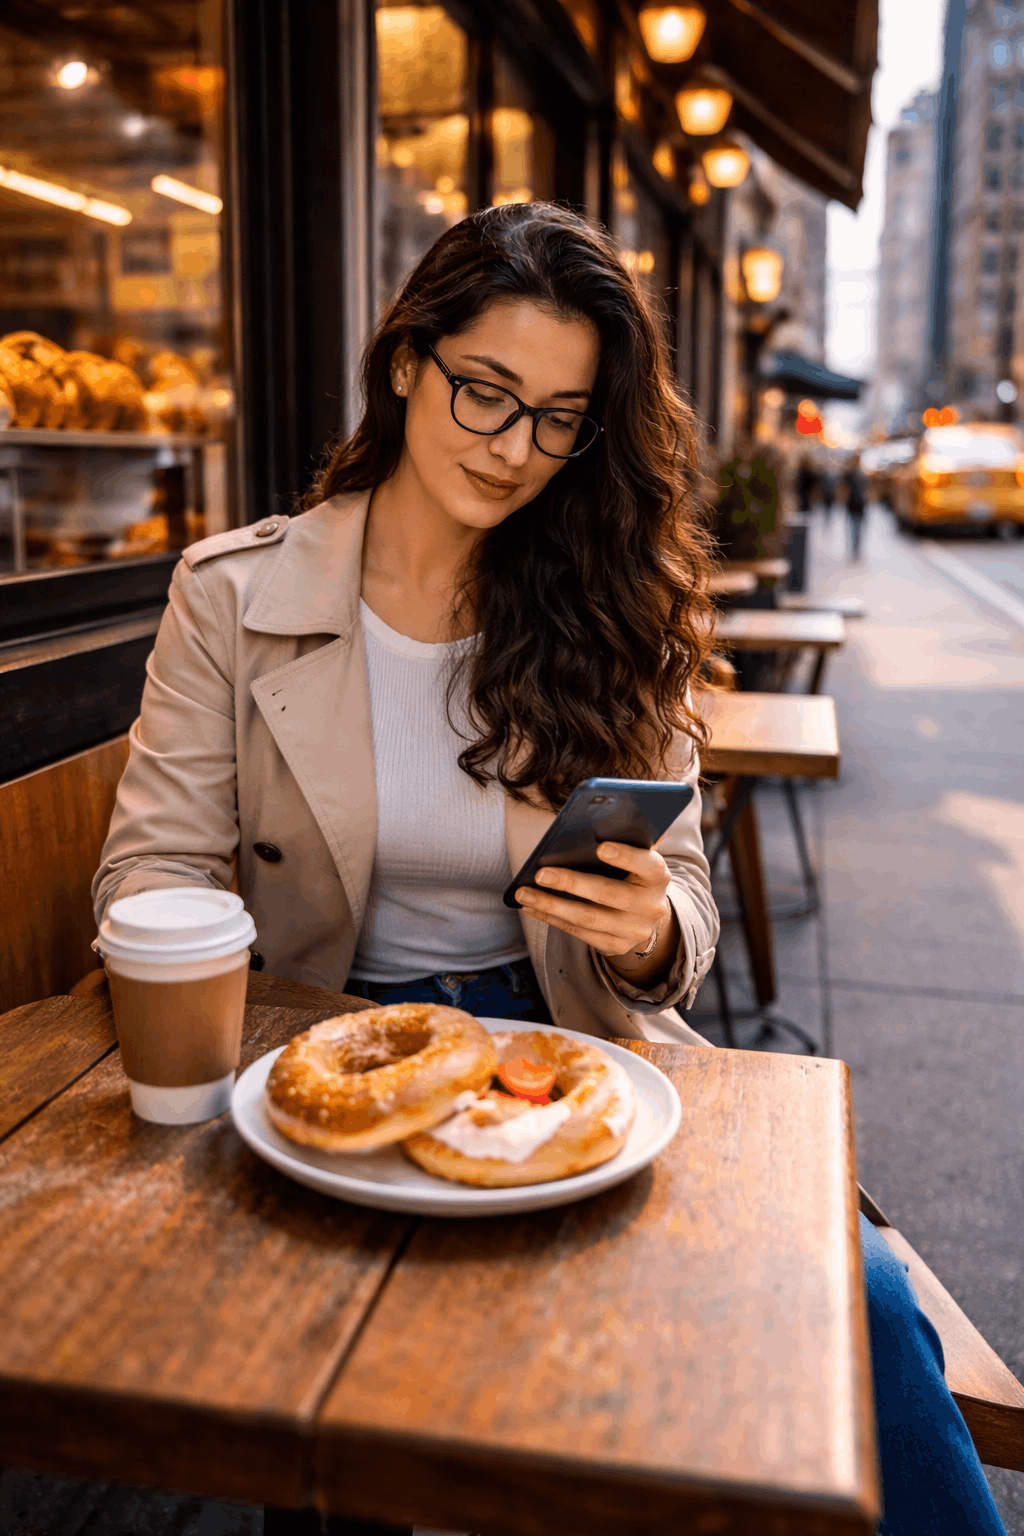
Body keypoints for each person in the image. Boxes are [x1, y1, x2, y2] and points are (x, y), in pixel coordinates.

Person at [92, 203, 1005, 1536]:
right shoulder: (232, 598)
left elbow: (683, 906)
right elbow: (152, 868)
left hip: (576, 1046)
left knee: (860, 1299)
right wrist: (200, 995)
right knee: (350, 1374)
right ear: (407, 362)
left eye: (560, 418)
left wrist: (646, 932)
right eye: (485, 392)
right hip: (315, 1048)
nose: (514, 448)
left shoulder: (609, 599)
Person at [846, 451, 868, 558]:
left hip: (860, 505)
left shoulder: (863, 475)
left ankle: (856, 548)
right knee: (854, 528)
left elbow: (867, 490)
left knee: (857, 529)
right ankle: (854, 548)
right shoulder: (850, 475)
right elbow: (845, 489)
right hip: (852, 505)